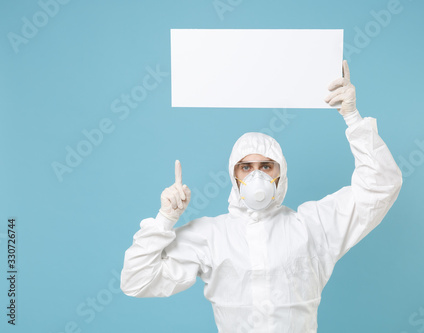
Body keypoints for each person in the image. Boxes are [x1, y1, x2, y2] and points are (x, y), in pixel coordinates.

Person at [120, 60, 403, 332]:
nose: (257, 176)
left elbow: (381, 186)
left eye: (266, 166)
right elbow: (136, 281)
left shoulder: (313, 225)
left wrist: (353, 118)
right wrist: (164, 220)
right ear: (234, 176)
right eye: (246, 167)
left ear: (281, 173)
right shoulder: (211, 234)